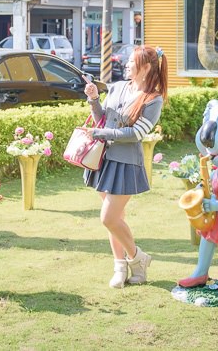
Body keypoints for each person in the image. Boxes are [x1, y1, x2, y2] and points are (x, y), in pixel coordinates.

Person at [82, 45, 168, 288]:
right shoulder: (118, 87)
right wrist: (93, 99)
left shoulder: (154, 99)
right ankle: (121, 267)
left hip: (126, 163)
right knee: (115, 219)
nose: (127, 64)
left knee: (108, 218)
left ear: (147, 68)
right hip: (103, 159)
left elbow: (135, 133)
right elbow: (102, 118)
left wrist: (100, 133)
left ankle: (138, 258)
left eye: (132, 61)